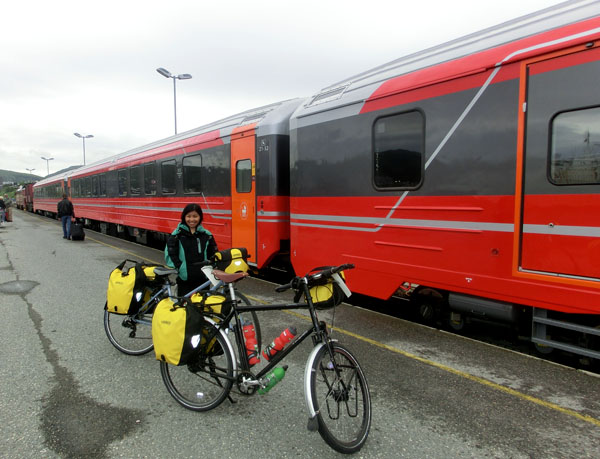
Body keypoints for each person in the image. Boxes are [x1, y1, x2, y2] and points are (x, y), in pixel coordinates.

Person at [165, 203, 218, 296]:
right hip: (185, 279)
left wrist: (212, 266)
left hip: (203, 278)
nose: (192, 220)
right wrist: (180, 267)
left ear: (200, 217)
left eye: (195, 216)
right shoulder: (177, 235)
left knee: (202, 306)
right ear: (184, 217)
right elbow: (170, 253)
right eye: (188, 216)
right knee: (185, 307)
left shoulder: (207, 235)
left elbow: (213, 252)